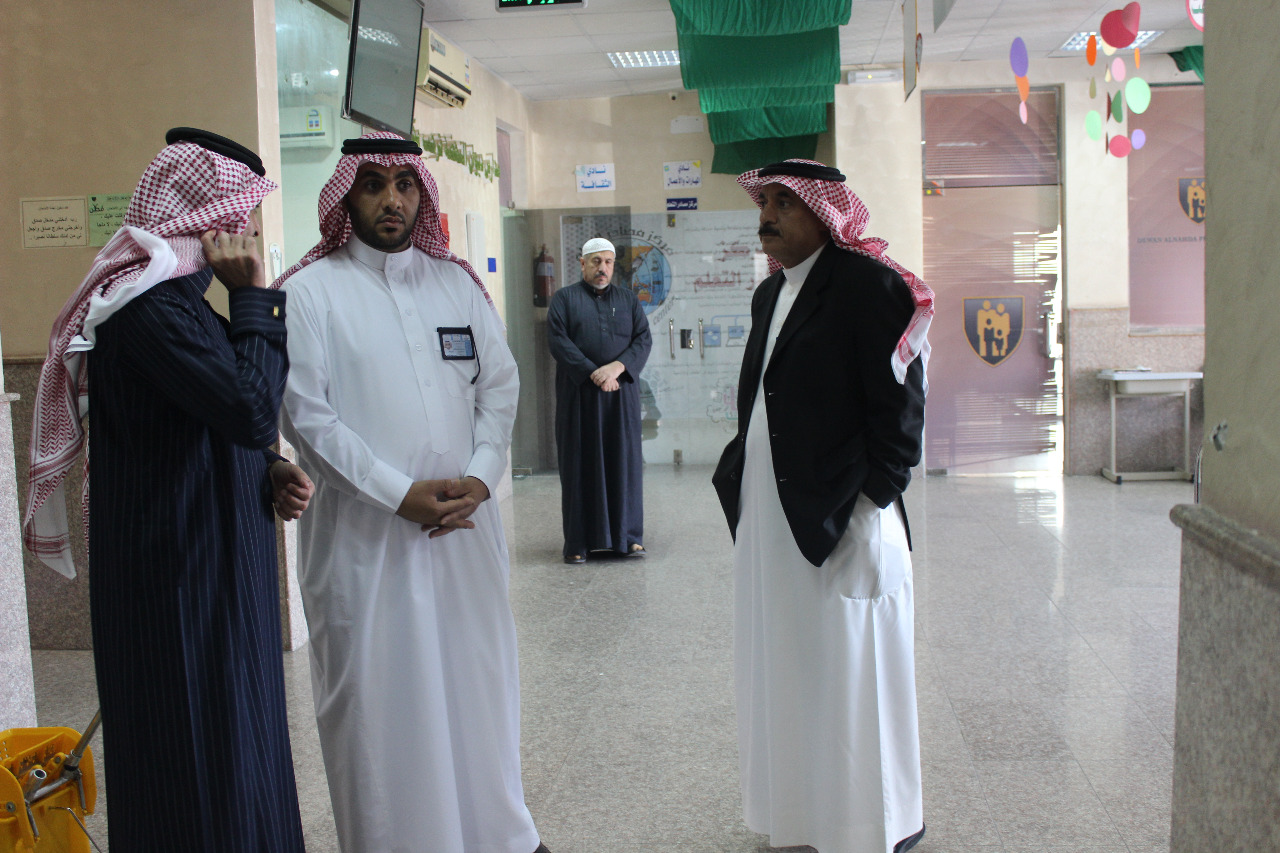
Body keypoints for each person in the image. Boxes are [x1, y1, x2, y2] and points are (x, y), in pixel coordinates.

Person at [22, 127, 312, 852]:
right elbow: (248, 408)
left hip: (214, 571)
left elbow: (214, 421)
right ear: (205, 221)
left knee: (239, 752)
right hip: (176, 585)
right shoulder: (148, 311)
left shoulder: (183, 306)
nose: (246, 238)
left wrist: (269, 470)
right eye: (240, 221)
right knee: (193, 765)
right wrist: (255, 297)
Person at [275, 132, 548, 853]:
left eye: (404, 184)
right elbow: (309, 418)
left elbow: (500, 385)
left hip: (465, 535)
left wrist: (484, 478)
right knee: (381, 704)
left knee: (475, 688)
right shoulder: (307, 295)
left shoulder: (454, 283)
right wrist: (398, 493)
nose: (391, 199)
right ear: (346, 196)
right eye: (372, 184)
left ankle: (497, 836)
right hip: (367, 546)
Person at [711, 159, 934, 853]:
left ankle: (871, 824)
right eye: (764, 201)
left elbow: (899, 412)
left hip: (845, 518)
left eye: (784, 202)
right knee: (789, 668)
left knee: (851, 674)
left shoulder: (871, 287)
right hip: (774, 522)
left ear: (825, 210)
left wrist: (872, 507)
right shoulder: (770, 293)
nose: (768, 214)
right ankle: (797, 815)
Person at [546, 237, 652, 564]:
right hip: (579, 396)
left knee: (625, 464)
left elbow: (643, 339)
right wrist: (595, 373)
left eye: (607, 262)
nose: (602, 268)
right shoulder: (564, 299)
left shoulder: (629, 300)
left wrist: (616, 369)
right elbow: (559, 342)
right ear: (582, 264)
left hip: (620, 397)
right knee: (579, 465)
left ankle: (629, 538)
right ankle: (578, 542)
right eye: (595, 262)